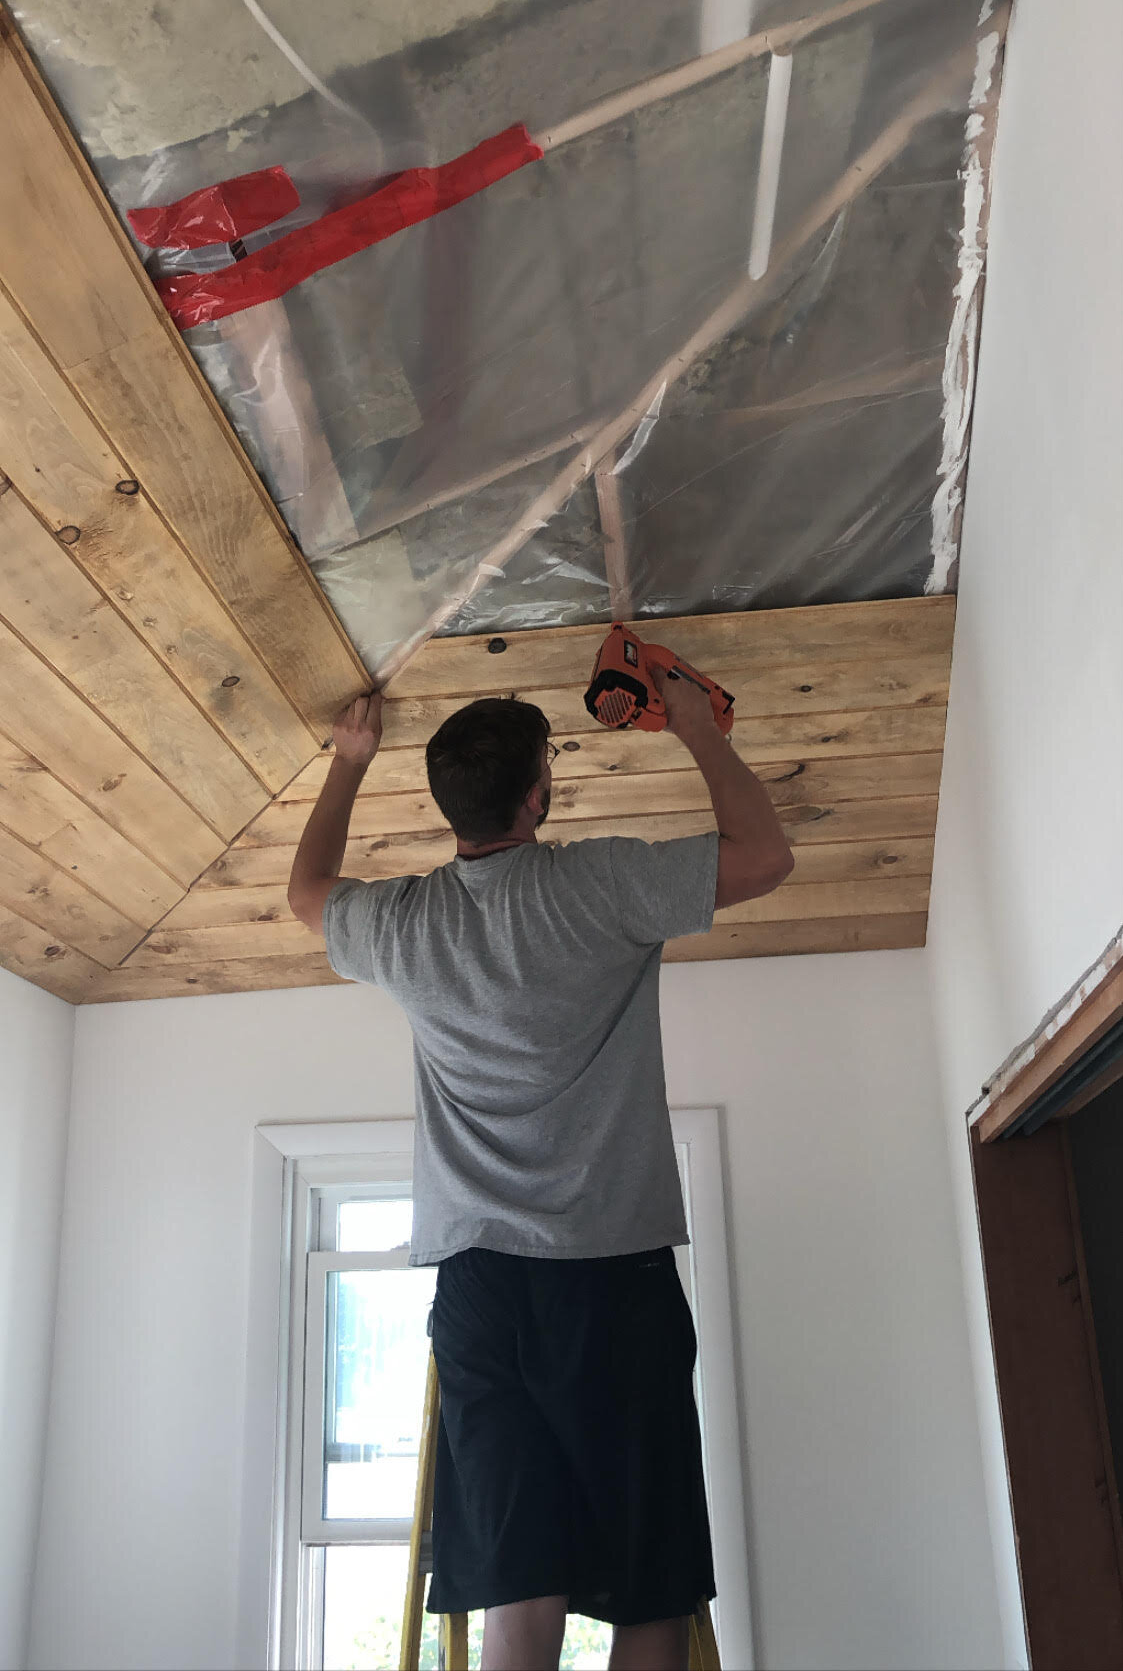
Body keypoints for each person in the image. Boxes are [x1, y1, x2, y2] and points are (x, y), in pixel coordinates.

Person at [288, 655, 794, 1671]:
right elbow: (765, 856)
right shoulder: (600, 882)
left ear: (453, 808)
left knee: (520, 1580)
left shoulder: (403, 921)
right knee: (650, 1574)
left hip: (480, 1287)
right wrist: (698, 728)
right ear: (536, 797)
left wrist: (346, 763)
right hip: (613, 1273)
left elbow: (306, 892)